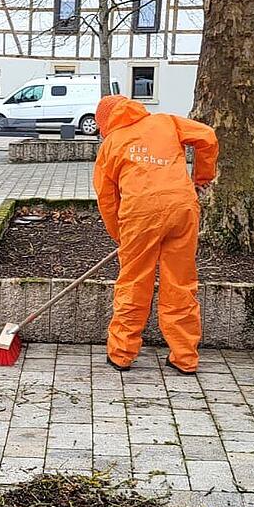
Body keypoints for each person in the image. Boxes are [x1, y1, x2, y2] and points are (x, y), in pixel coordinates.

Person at [93, 95, 219, 375]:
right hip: (182, 208)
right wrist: (202, 178)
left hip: (140, 215)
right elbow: (207, 137)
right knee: (181, 282)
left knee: (135, 282)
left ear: (105, 123)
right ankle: (185, 356)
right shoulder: (166, 122)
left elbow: (107, 198)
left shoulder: (111, 145)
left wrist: (119, 234)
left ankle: (122, 354)